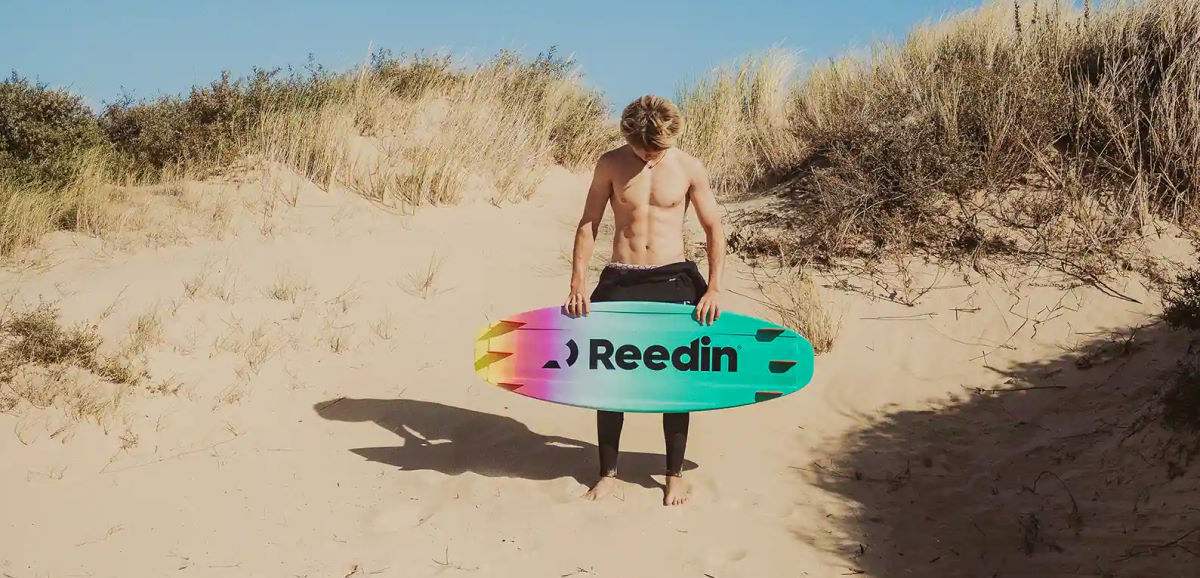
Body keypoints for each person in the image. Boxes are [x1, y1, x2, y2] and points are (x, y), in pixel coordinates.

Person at [564, 94, 725, 506]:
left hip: (673, 279)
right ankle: (607, 473)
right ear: (627, 136)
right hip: (622, 278)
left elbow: (713, 227)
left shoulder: (688, 167)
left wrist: (713, 288)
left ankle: (674, 475)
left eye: (659, 149)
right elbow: (589, 222)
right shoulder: (610, 163)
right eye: (643, 149)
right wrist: (577, 284)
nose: (651, 156)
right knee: (608, 379)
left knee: (675, 382)